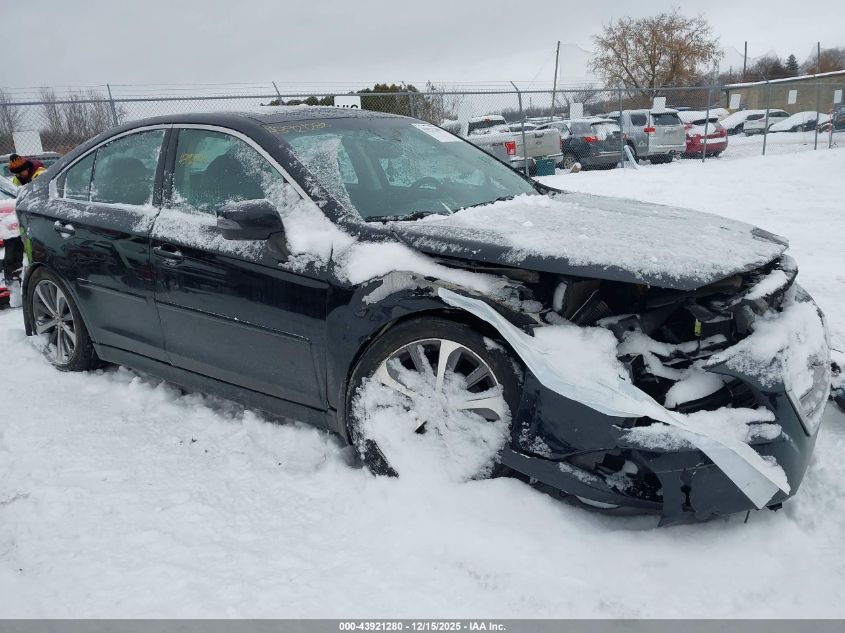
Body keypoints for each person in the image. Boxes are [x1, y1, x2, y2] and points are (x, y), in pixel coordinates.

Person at [3, 154, 46, 308]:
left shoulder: (40, 175)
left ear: (27, 168)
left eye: (20, 172)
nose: (18, 176)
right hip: (21, 222)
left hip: (38, 222)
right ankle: (15, 289)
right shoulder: (16, 180)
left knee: (33, 253)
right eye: (15, 173)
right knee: (14, 251)